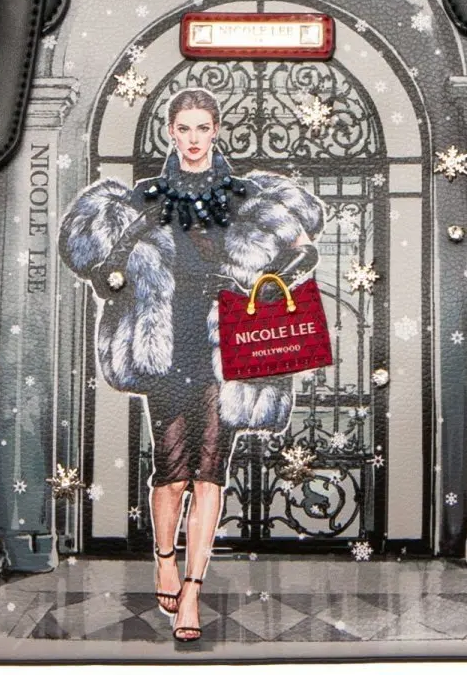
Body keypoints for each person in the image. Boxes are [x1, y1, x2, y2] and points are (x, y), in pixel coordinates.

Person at [59, 87, 322, 643]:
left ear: (216, 130)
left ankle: (193, 593)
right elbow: (103, 273)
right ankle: (164, 561)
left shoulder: (245, 195)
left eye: (204, 128)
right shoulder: (144, 199)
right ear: (171, 133)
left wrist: (268, 286)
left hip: (226, 348)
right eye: (185, 128)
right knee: (172, 473)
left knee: (209, 474)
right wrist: (119, 275)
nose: (195, 138)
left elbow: (305, 251)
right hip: (168, 346)